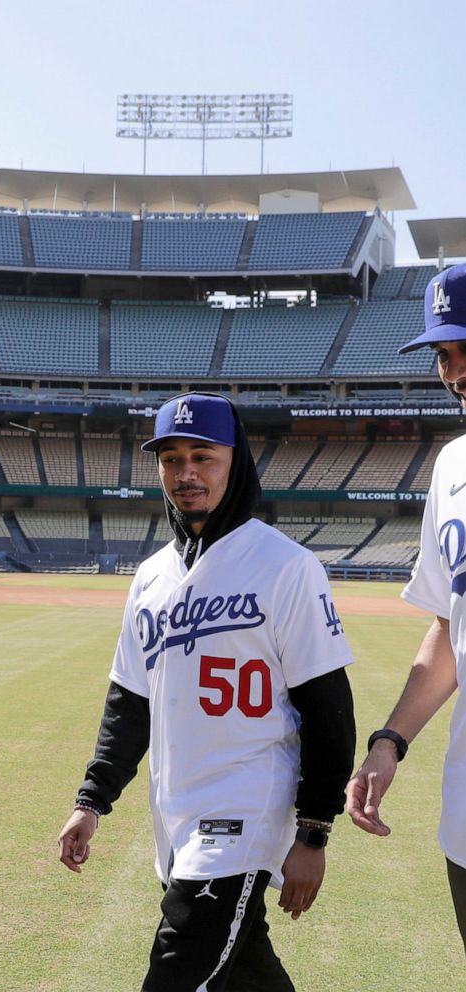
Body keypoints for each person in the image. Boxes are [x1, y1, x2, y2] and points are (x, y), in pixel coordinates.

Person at [58, 392, 356, 992]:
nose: (186, 473)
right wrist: (91, 801)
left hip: (246, 810)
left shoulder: (286, 567)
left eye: (203, 456)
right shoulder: (151, 578)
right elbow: (130, 703)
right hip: (177, 815)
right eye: (171, 458)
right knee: (248, 971)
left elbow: (329, 709)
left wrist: (314, 830)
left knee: (176, 972)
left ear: (234, 462)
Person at [346, 263, 466, 951]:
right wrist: (388, 742)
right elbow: (450, 628)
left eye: (462, 348)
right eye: (444, 356)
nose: (453, 373)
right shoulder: (451, 468)